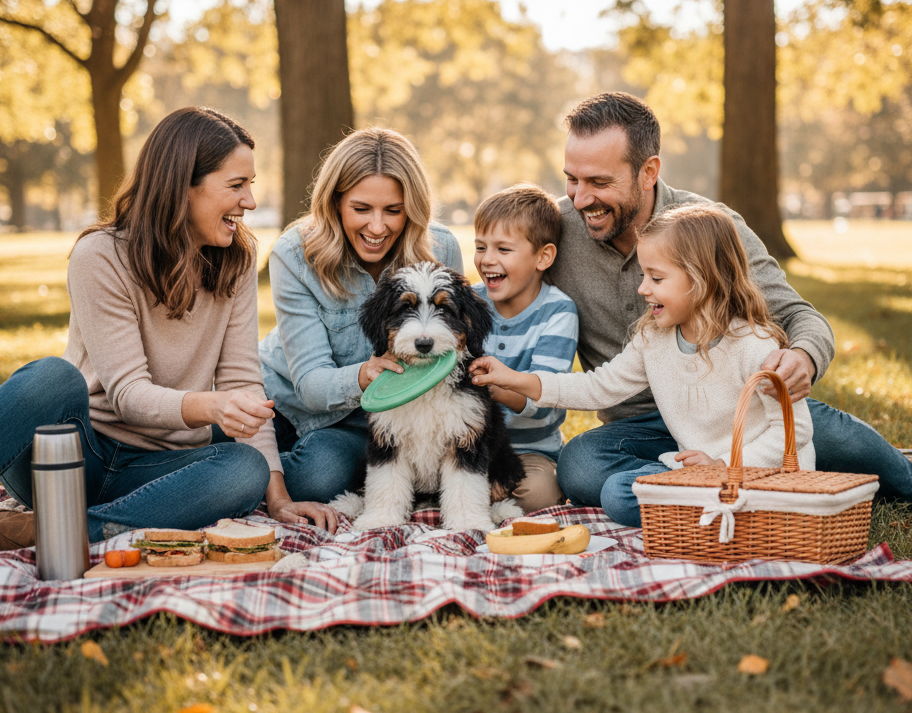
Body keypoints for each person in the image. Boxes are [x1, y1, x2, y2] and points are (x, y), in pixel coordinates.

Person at [0, 106, 335, 559]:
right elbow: (127, 394)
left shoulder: (235, 262)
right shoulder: (100, 255)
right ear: (183, 186)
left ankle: (41, 532)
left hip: (160, 469)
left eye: (250, 185)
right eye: (236, 185)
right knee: (53, 376)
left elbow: (243, 381)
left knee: (245, 469)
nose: (250, 202)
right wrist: (211, 406)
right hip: (73, 457)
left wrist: (277, 498)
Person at [542, 91, 912, 511]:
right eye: (572, 178)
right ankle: (710, 484)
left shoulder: (711, 228)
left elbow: (797, 315)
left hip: (738, 417)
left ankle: (713, 483)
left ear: (648, 172)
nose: (580, 198)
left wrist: (803, 359)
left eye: (600, 182)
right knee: (580, 467)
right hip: (641, 430)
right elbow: (500, 281)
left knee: (826, 439)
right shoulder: (556, 231)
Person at [471, 204, 816, 525]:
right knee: (618, 492)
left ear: (701, 280)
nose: (642, 288)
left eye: (656, 278)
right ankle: (700, 508)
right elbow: (599, 387)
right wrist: (516, 379)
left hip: (760, 479)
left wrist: (724, 467)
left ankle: (703, 509)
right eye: (642, 275)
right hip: (700, 476)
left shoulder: (754, 345)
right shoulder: (655, 339)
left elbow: (795, 431)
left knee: (622, 496)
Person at [259, 127, 463, 502]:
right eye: (361, 209)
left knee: (317, 479)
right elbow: (310, 384)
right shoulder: (293, 254)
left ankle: (261, 475)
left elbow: (453, 349)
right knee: (190, 444)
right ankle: (251, 468)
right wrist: (365, 374)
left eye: (393, 211)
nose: (377, 227)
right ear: (335, 203)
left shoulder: (441, 249)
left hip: (368, 421)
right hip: (283, 403)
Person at [471, 183, 579, 512]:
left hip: (530, 452)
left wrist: (492, 385)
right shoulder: (470, 303)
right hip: (470, 445)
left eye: (503, 250)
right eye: (480, 247)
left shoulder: (558, 313)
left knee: (538, 493)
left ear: (543, 257)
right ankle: (477, 492)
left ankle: (488, 493)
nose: (487, 260)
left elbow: (545, 398)